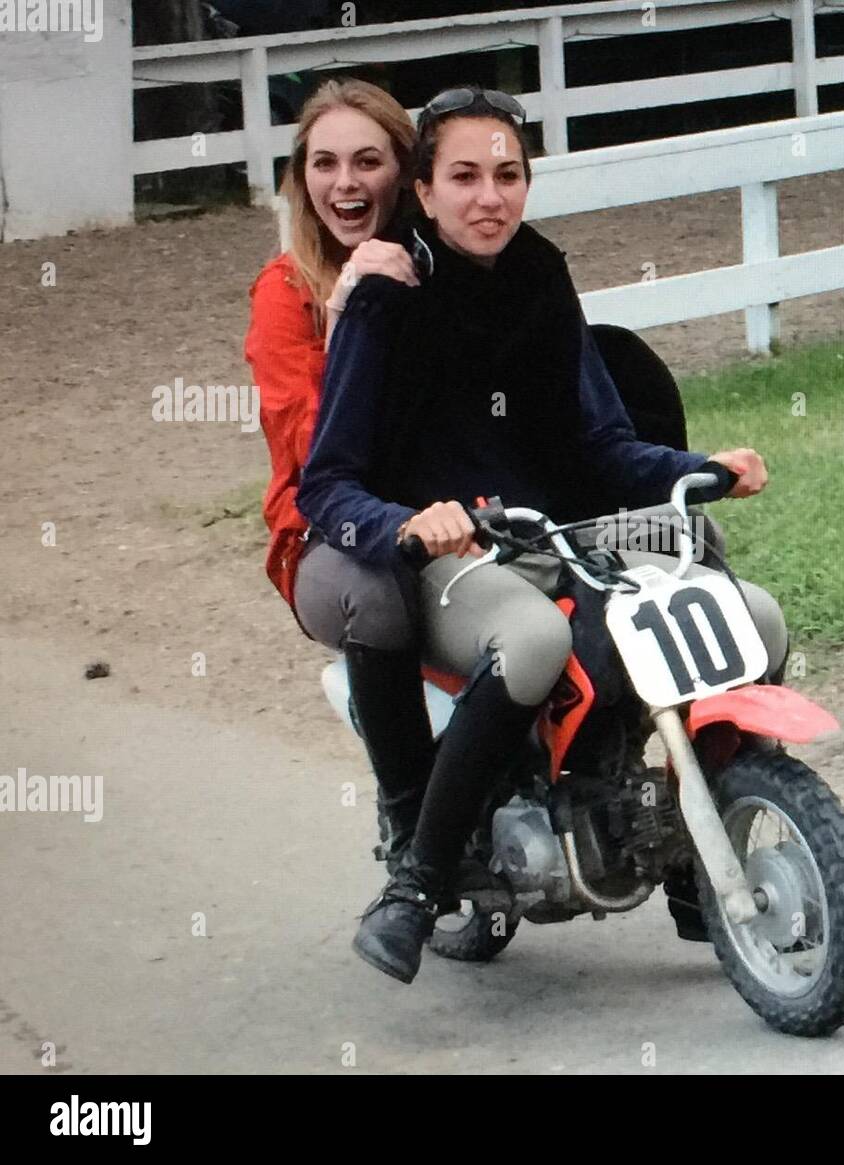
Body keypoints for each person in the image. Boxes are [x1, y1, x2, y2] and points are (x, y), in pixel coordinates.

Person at [296, 85, 790, 985]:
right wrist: (410, 522)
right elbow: (326, 481)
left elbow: (599, 441)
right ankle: (417, 882)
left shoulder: (541, 273)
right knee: (533, 638)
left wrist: (698, 466)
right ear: (425, 189)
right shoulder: (382, 294)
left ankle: (696, 857)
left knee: (749, 614)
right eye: (465, 177)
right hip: (450, 555)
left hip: (556, 530)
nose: (490, 197)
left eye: (508, 175)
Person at [244, 78, 436, 870]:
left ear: (406, 170)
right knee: (376, 591)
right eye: (324, 164)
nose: (345, 183)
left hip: (454, 499)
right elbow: (309, 446)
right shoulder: (286, 293)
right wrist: (350, 311)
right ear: (301, 178)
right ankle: (414, 832)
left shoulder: (442, 260)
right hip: (329, 527)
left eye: (367, 161)